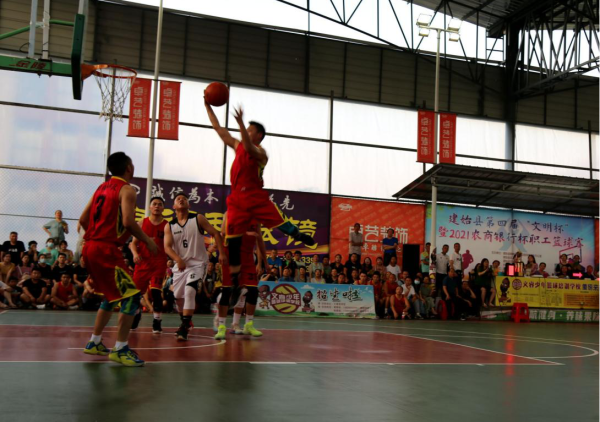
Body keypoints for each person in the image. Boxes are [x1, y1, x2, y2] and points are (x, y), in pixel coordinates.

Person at [205, 101, 314, 291]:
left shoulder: (261, 153)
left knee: (281, 223)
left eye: (250, 130)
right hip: (237, 199)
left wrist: (240, 123)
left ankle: (297, 234)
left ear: (259, 136)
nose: (246, 132)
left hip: (255, 196)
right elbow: (218, 129)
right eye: (245, 129)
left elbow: (249, 148)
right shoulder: (237, 145)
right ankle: (234, 281)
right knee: (232, 238)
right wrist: (208, 106)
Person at [80, 152, 158, 367]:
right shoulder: (127, 190)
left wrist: (93, 240)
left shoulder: (100, 188)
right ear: (129, 168)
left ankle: (94, 342)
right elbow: (128, 222)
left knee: (111, 295)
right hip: (105, 250)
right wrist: (147, 241)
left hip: (91, 246)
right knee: (132, 297)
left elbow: (83, 219)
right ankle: (120, 348)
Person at [164, 192, 226, 341]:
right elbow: (167, 247)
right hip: (181, 265)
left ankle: (184, 327)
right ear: (174, 206)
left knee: (190, 290)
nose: (181, 199)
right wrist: (178, 259)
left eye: (184, 198)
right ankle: (185, 320)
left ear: (189, 204)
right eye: (178, 199)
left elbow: (216, 233)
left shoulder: (197, 218)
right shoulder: (170, 225)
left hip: (198, 263)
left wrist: (221, 253)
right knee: (178, 297)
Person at [215, 213, 265, 339]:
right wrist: (221, 253)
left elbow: (259, 241)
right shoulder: (229, 213)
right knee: (227, 291)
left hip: (248, 257)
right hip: (231, 256)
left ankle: (248, 324)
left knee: (252, 291)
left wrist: (261, 263)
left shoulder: (256, 217)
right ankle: (221, 326)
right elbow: (223, 234)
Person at [130, 196, 168, 334]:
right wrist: (135, 254)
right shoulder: (142, 223)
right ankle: (136, 314)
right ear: (150, 207)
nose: (157, 206)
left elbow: (170, 245)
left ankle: (157, 321)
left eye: (160, 204)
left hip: (159, 262)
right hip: (143, 263)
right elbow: (133, 243)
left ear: (163, 208)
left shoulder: (167, 225)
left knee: (156, 292)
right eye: (154, 204)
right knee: (136, 294)